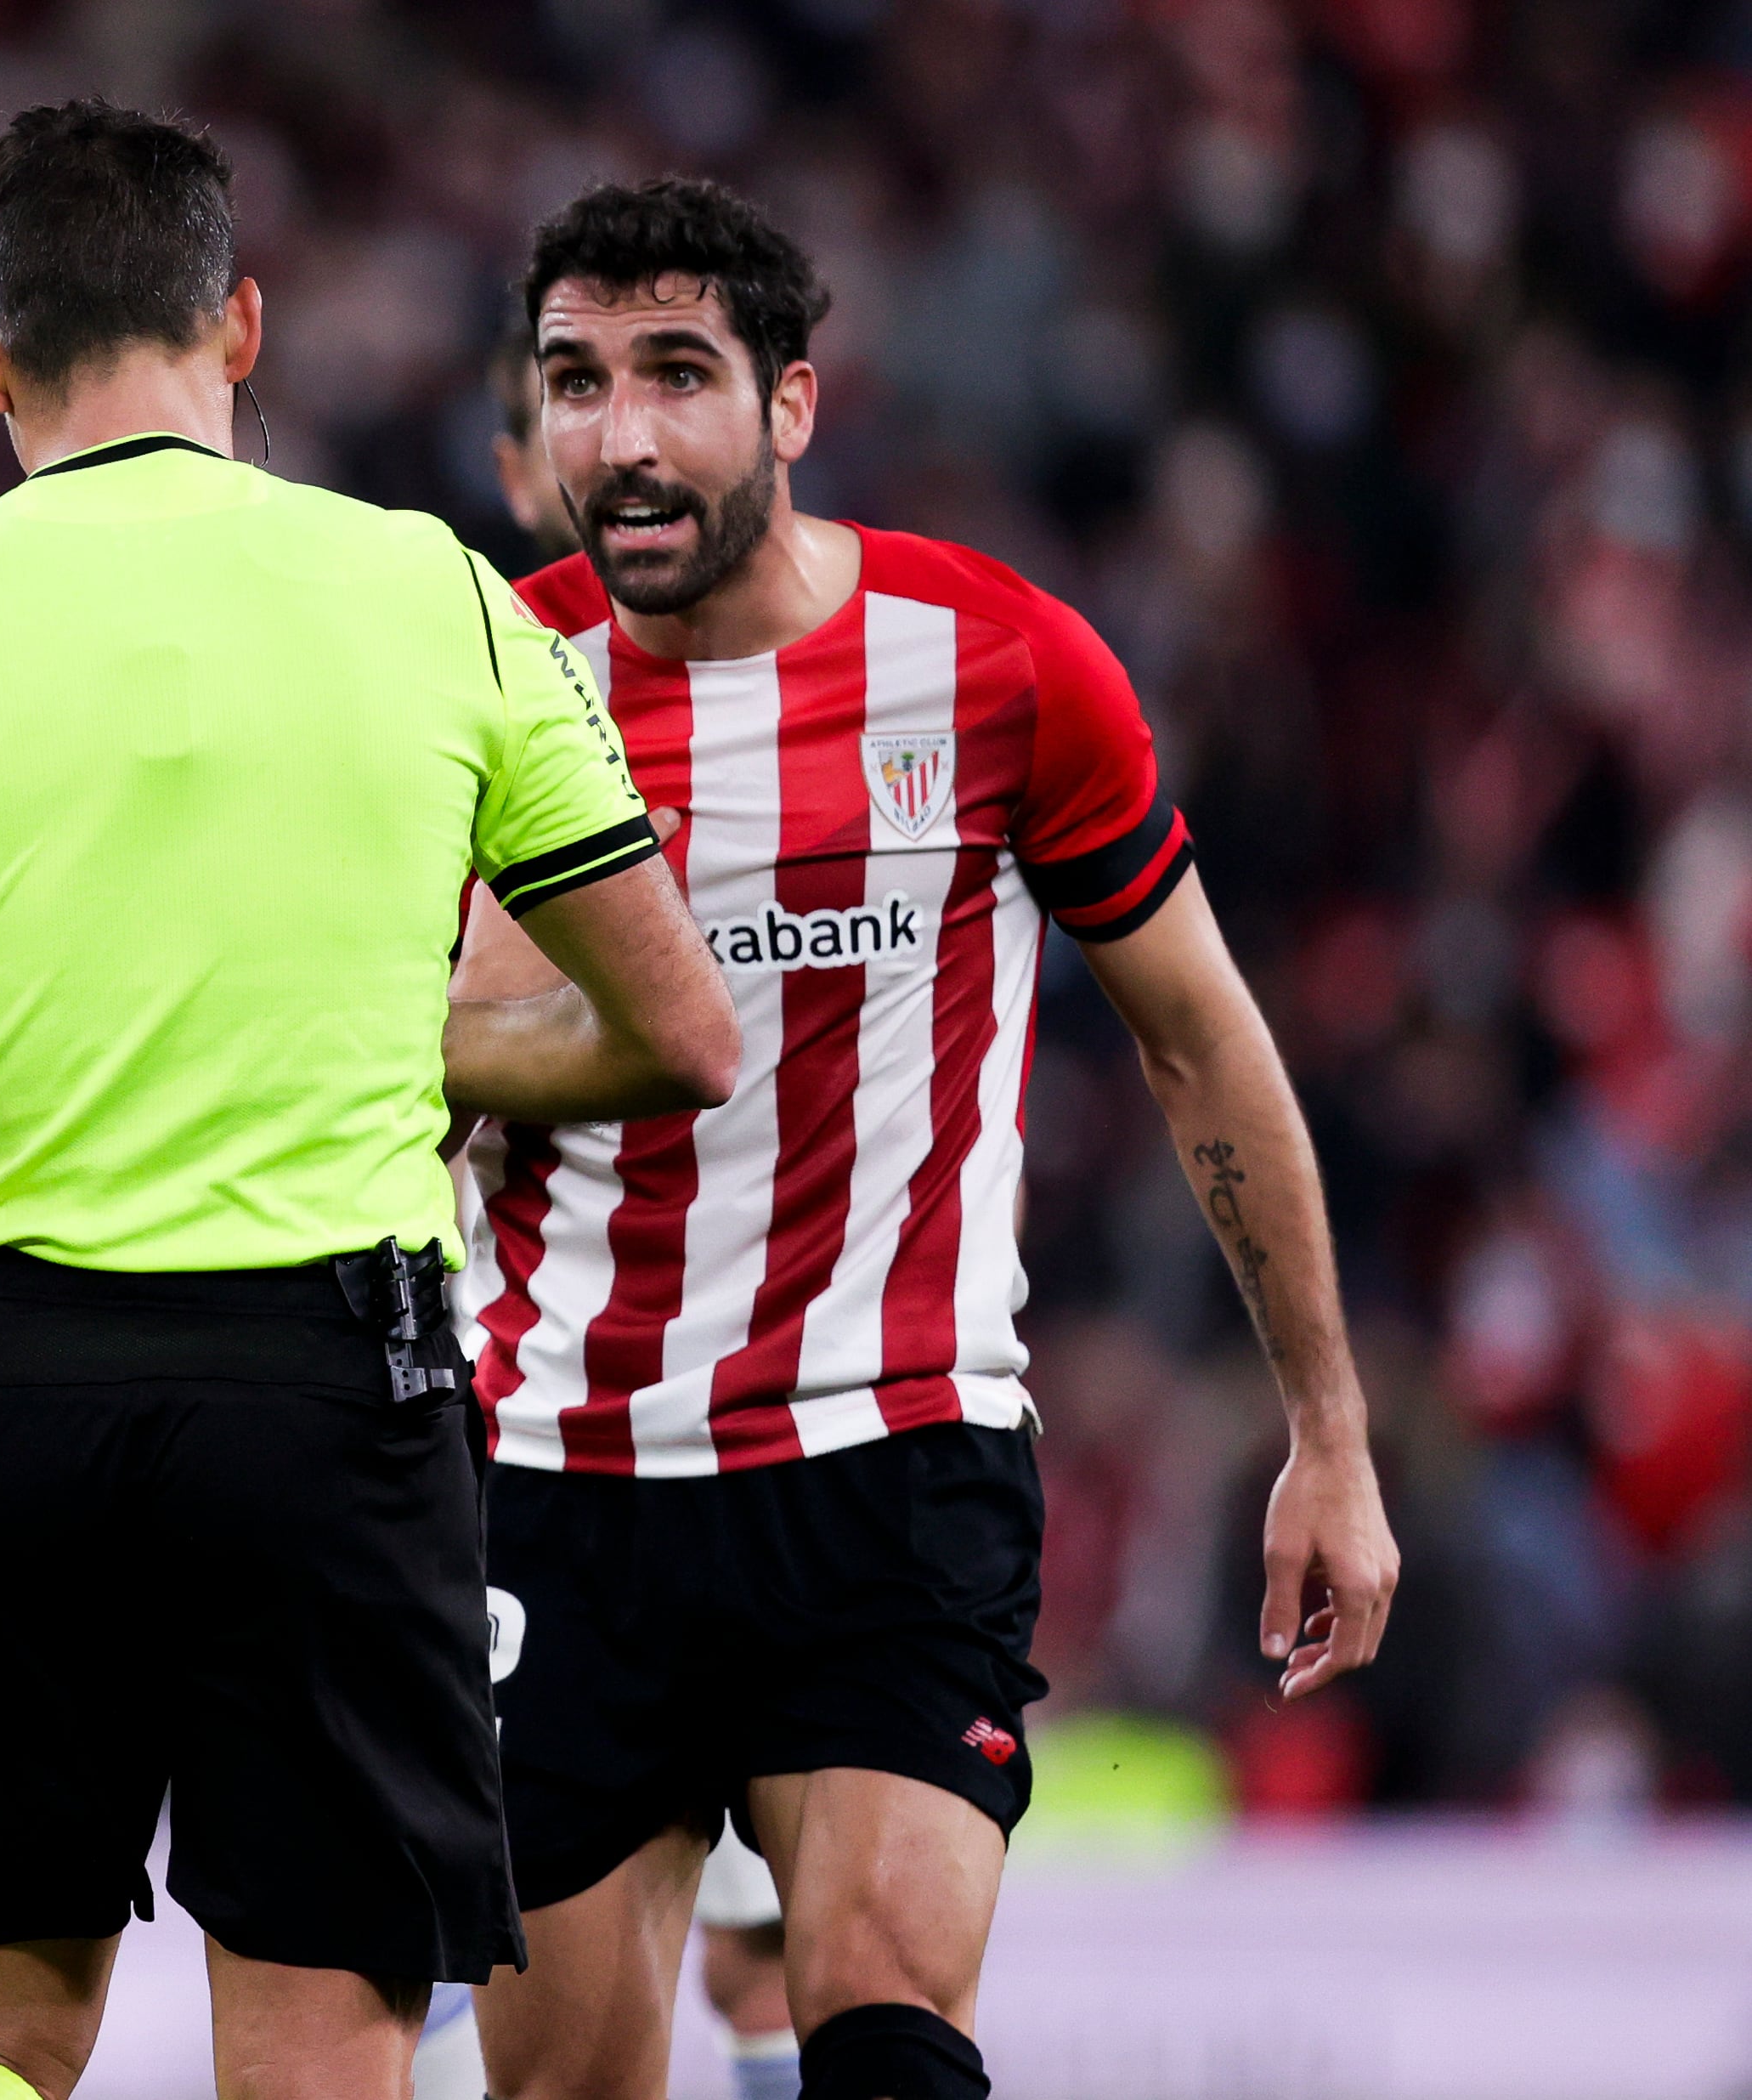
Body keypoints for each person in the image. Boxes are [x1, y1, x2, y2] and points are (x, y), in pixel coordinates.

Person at [0, 100, 739, 2100]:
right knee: (322, 2042)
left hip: (5, 1393)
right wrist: (378, 1046)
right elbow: (684, 1034)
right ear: (240, 323)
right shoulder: (433, 595)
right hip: (340, 1396)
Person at [455, 176, 1403, 2100]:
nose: (619, 436)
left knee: (889, 2022)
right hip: (557, 1476)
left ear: (794, 405)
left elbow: (1203, 1045)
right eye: (574, 380)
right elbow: (383, 1071)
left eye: (676, 376)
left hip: (887, 1463)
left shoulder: (996, 668)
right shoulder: (483, 692)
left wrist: (1328, 1428)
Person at [433, 308, 803, 2100]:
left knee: (777, 1958)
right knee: (497, 2003)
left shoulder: (807, 703)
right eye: (563, 416)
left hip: (792, 1435)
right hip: (522, 1443)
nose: (599, 460)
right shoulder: (468, 704)